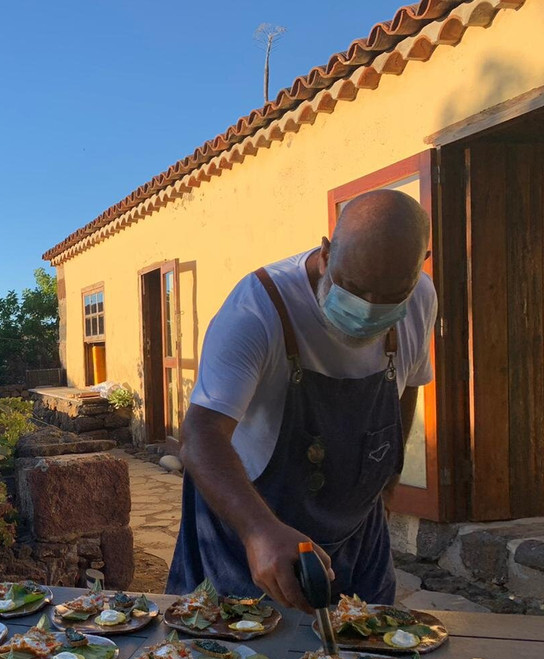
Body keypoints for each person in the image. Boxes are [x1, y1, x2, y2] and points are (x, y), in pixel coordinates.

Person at [166, 189, 436, 611]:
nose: (367, 312)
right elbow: (201, 435)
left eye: (389, 298)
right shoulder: (257, 308)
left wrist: (386, 487)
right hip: (251, 520)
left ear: (418, 269)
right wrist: (259, 532)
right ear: (326, 253)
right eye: (352, 287)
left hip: (356, 532)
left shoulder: (421, 298)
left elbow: (407, 389)